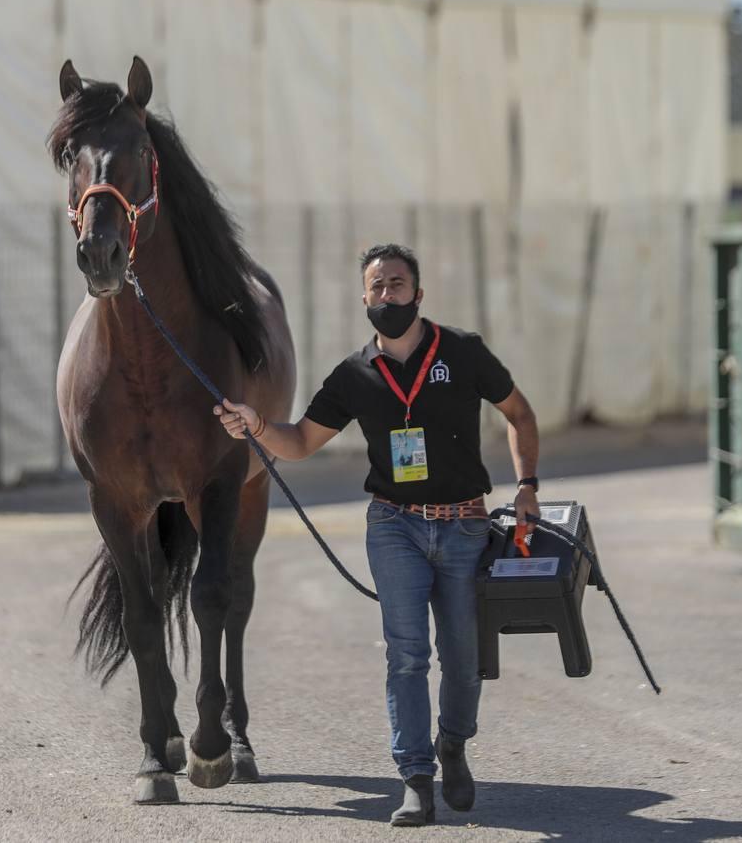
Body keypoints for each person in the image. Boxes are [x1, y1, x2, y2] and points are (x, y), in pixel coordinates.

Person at [214, 243, 541, 827]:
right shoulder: (353, 375)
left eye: (396, 284)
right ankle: (415, 777)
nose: (386, 295)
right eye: (377, 287)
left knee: (463, 660)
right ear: (363, 298)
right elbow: (301, 442)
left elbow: (520, 413)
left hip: (466, 525)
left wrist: (526, 486)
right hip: (394, 527)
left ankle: (453, 744)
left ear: (418, 294)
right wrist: (257, 425)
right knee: (407, 655)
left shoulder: (463, 353)